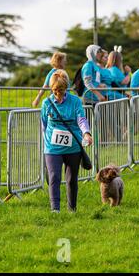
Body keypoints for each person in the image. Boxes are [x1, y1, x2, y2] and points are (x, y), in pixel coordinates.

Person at [41, 70, 93, 212]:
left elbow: (81, 119)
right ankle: (55, 209)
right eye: (55, 90)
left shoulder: (75, 101)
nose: (58, 94)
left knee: (71, 180)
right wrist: (46, 145)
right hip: (52, 148)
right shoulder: (46, 103)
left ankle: (72, 209)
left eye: (61, 90)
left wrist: (86, 133)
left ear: (66, 88)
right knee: (54, 178)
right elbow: (44, 125)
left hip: (73, 147)